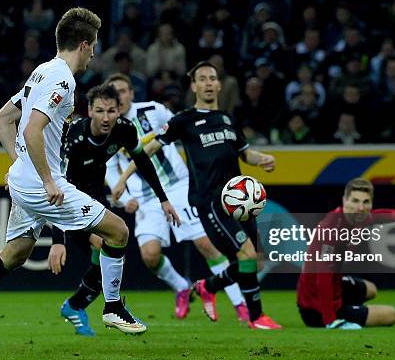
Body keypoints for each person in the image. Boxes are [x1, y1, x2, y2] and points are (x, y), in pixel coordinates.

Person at [0, 7, 178, 356]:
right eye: (93, 47)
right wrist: (44, 179)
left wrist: (20, 169)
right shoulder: (62, 80)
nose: (94, 54)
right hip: (41, 184)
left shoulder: (41, 72)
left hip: (23, 180)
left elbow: (3, 120)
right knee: (118, 231)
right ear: (84, 44)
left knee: (15, 254)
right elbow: (30, 129)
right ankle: (113, 306)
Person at [114, 61, 282, 329]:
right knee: (246, 255)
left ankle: (208, 287)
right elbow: (149, 149)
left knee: (254, 260)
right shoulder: (184, 120)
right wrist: (124, 177)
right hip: (211, 201)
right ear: (194, 86)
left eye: (211, 78)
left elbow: (245, 153)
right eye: (201, 78)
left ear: (218, 84)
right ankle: (256, 316)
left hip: (238, 200)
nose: (207, 83)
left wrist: (261, 158)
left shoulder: (227, 119)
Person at [48, 82, 181, 336]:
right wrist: (57, 239)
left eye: (111, 111)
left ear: (119, 111)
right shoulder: (74, 136)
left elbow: (142, 161)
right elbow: (58, 186)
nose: (106, 117)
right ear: (89, 111)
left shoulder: (125, 130)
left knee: (108, 256)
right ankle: (101, 307)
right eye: (99, 111)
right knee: (106, 246)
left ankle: (76, 305)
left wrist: (163, 199)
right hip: (68, 200)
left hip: (96, 198)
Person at [296, 178, 395, 329]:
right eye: (355, 201)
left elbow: (379, 216)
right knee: (390, 314)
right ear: (344, 200)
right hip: (315, 308)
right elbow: (323, 278)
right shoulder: (333, 231)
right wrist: (330, 321)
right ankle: (340, 316)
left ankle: (347, 310)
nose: (360, 207)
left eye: (365, 202)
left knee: (370, 289)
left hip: (331, 287)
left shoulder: (356, 217)